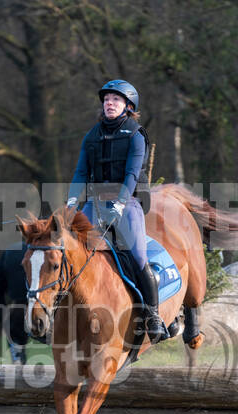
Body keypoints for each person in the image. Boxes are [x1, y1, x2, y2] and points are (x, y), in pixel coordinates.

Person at [66, 79, 166, 344]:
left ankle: (153, 316)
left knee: (137, 255)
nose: (109, 103)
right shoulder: (92, 135)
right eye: (107, 99)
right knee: (71, 248)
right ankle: (59, 312)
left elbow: (132, 174)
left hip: (126, 201)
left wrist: (119, 205)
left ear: (128, 106)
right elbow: (80, 173)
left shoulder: (136, 134)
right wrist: (70, 205)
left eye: (116, 100)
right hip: (94, 202)